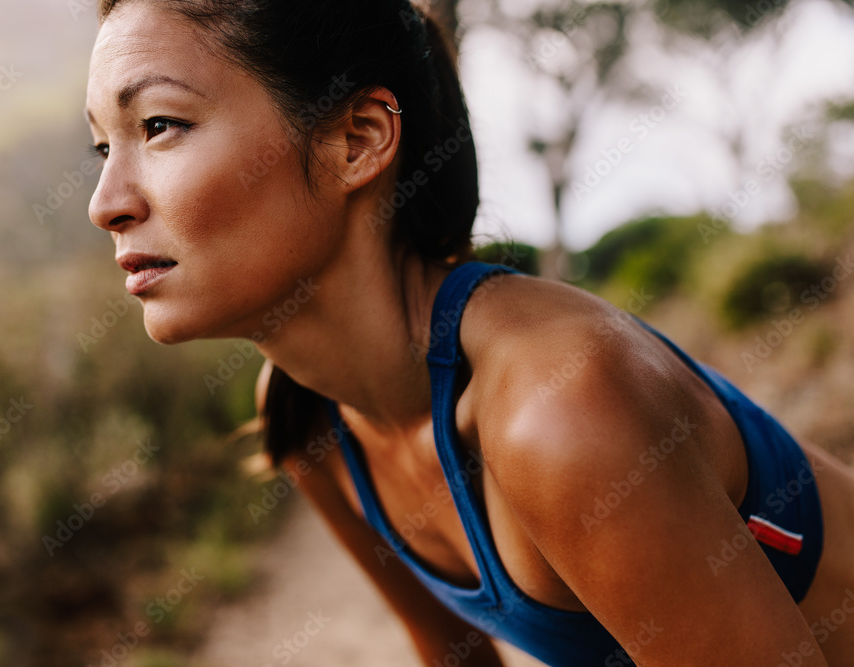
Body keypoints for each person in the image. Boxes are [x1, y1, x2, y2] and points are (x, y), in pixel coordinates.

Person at [83, 0, 854, 664]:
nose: (105, 201)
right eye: (101, 146)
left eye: (158, 125)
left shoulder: (558, 405)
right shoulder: (309, 419)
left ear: (357, 141)